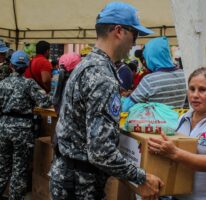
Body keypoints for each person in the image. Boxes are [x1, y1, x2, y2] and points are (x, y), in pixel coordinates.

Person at [49, 2, 163, 199]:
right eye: (134, 35)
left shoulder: (87, 64)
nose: (134, 43)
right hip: (80, 185)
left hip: (69, 176)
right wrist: (142, 177)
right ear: (118, 31)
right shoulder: (102, 77)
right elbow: (101, 152)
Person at [148, 67, 206, 200]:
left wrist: (174, 153)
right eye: (192, 89)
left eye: (202, 90)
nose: (195, 95)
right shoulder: (183, 118)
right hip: (179, 195)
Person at [0, 50, 51, 199]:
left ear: (11, 66)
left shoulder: (2, 84)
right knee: (19, 168)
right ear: (27, 67)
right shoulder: (29, 84)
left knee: (2, 167)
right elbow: (45, 102)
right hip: (22, 129)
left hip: (3, 127)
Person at [122, 37, 187, 112]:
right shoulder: (183, 74)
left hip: (155, 123)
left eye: (145, 57)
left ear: (150, 57)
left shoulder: (150, 80)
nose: (144, 62)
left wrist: (124, 99)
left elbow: (125, 108)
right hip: (176, 121)